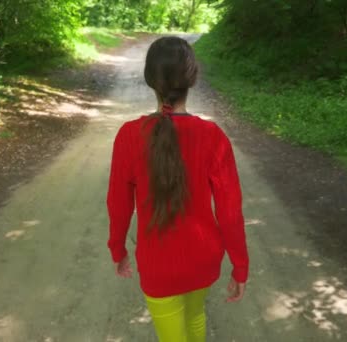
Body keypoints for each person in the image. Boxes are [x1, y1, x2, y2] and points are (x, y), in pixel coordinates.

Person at [106, 36, 249, 342]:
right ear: (192, 79)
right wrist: (240, 266)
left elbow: (118, 205)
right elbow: (230, 210)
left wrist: (118, 249)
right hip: (203, 260)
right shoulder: (212, 136)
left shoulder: (130, 135)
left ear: (150, 80)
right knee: (195, 316)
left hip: (159, 266)